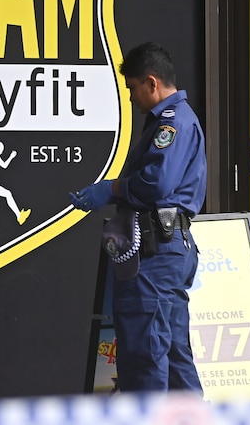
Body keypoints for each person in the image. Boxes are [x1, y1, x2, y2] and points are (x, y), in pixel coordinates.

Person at [70, 42, 206, 393]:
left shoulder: (173, 124)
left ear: (151, 82)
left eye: (132, 88)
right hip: (167, 247)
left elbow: (157, 184)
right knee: (175, 360)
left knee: (144, 358)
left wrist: (112, 189)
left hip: (155, 254)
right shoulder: (172, 121)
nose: (132, 98)